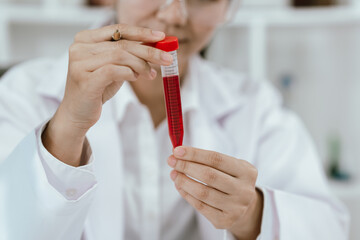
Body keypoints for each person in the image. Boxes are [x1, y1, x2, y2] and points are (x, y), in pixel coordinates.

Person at [0, 0, 350, 239]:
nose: (174, 14)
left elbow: (330, 228)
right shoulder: (24, 92)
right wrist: (66, 129)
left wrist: (253, 214)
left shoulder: (255, 106)